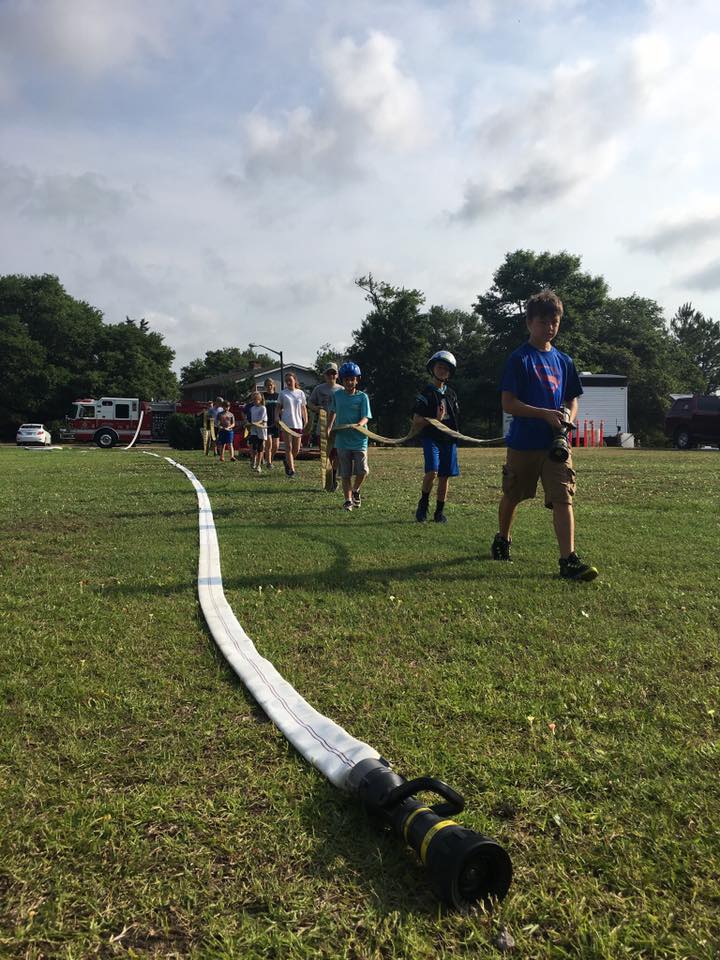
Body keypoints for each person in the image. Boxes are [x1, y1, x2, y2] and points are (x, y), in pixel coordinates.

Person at [492, 289, 598, 581]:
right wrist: (543, 413)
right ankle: (503, 537)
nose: (550, 326)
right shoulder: (519, 359)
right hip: (524, 443)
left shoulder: (564, 361)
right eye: (543, 321)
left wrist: (567, 420)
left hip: (556, 444)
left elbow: (572, 399)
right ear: (529, 323)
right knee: (513, 495)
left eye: (555, 321)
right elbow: (508, 403)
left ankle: (568, 560)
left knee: (564, 497)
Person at [412, 350, 460, 524]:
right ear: (433, 369)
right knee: (432, 471)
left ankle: (439, 512)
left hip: (449, 440)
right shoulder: (426, 393)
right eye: (439, 367)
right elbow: (416, 420)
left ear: (449, 372)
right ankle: (423, 506)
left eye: (446, 368)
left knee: (445, 476)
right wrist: (435, 420)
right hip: (431, 438)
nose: (442, 371)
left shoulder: (452, 394)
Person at [327, 361, 371, 512]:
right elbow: (332, 412)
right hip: (342, 440)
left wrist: (359, 424)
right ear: (342, 380)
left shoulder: (363, 397)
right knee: (345, 473)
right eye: (346, 379)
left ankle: (356, 490)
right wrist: (329, 427)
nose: (349, 382)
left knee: (363, 471)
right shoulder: (337, 396)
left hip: (359, 440)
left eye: (352, 379)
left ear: (357, 380)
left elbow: (366, 416)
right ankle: (347, 500)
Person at [308, 362, 343, 491]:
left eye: (333, 373)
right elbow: (310, 403)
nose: (331, 375)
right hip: (322, 428)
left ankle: (334, 477)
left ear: (337, 375)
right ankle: (329, 480)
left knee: (337, 454)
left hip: (338, 427)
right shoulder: (319, 389)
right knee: (326, 456)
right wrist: (317, 408)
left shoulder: (342, 390)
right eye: (329, 373)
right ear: (325, 375)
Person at [278, 372, 307, 477]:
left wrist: (306, 420)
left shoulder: (300, 393)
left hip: (298, 423)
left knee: (296, 449)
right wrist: (277, 417)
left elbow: (303, 408)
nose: (289, 382)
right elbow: (278, 408)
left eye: (290, 380)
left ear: (295, 380)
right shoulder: (283, 393)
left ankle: (287, 461)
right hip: (286, 423)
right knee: (289, 447)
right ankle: (292, 470)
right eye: (287, 381)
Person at [262, 378, 280, 469]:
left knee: (276, 446)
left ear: (274, 385)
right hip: (266, 423)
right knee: (269, 444)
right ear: (265, 386)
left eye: (270, 385)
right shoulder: (263, 396)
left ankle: (270, 459)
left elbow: (281, 408)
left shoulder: (278, 396)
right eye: (267, 385)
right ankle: (269, 463)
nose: (269, 387)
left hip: (276, 422)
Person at [248, 391, 267, 472]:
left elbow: (262, 420)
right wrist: (249, 424)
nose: (255, 401)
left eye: (257, 400)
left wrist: (254, 423)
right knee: (253, 447)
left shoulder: (263, 408)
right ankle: (253, 460)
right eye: (254, 399)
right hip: (254, 430)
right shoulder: (252, 408)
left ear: (260, 399)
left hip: (261, 430)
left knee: (260, 449)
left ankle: (259, 465)